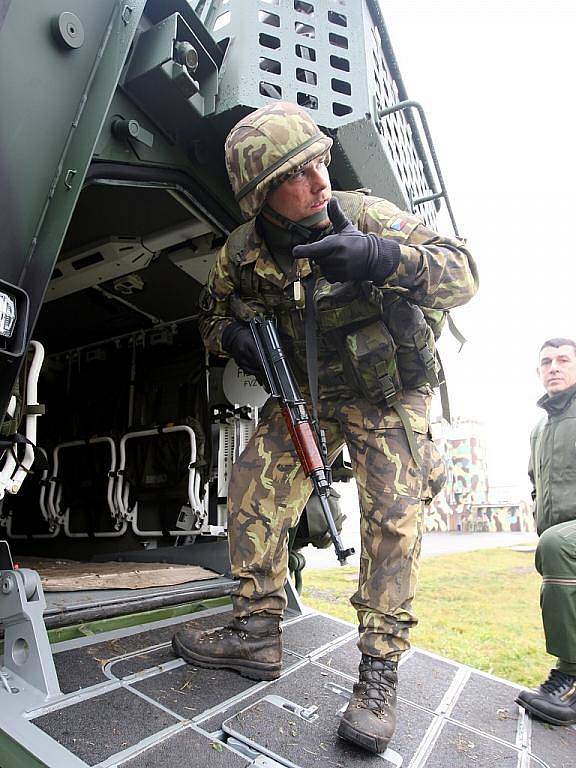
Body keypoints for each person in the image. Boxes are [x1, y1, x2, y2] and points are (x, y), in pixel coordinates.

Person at [172, 101, 478, 753]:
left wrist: (377, 256)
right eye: (297, 174)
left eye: (320, 162)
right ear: (261, 196)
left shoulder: (363, 215)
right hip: (305, 392)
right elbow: (206, 318)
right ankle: (256, 632)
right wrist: (232, 338)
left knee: (393, 517)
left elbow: (464, 272)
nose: (319, 181)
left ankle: (378, 673)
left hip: (385, 391)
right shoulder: (242, 254)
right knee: (252, 490)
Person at [516, 338, 576, 726]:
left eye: (563, 360)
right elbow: (536, 481)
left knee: (555, 545)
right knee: (552, 546)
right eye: (546, 362)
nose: (553, 367)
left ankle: (569, 676)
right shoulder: (539, 428)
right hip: (559, 535)